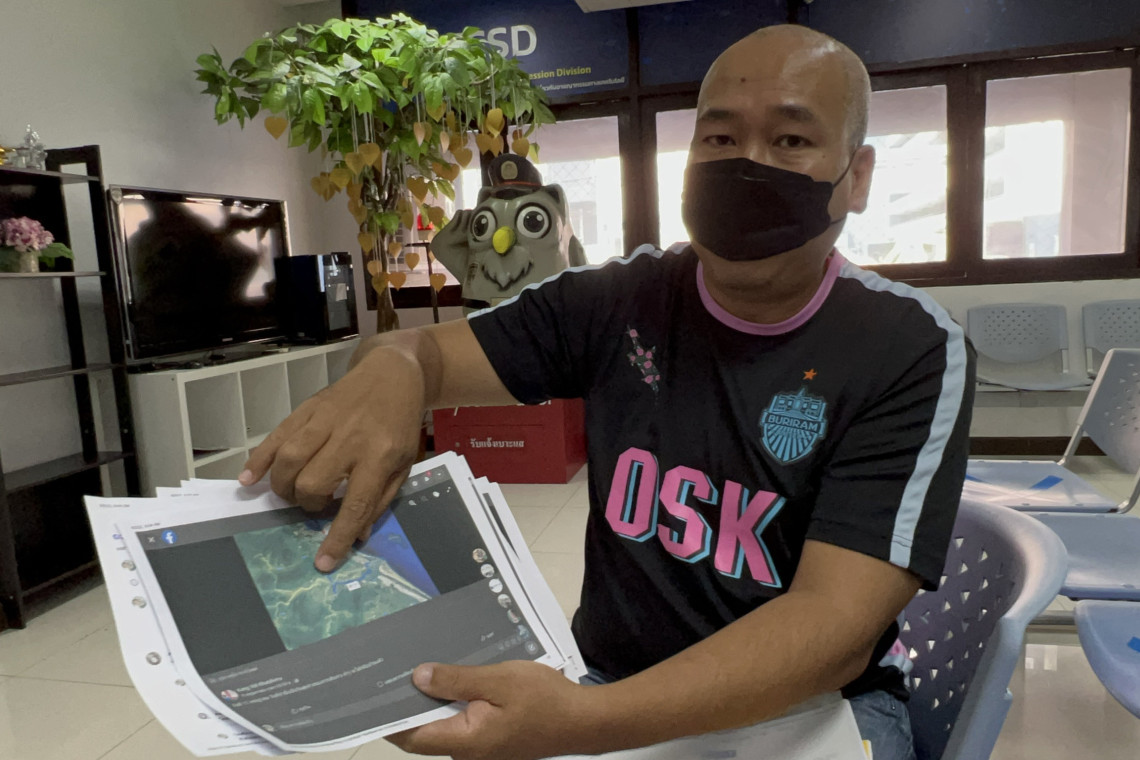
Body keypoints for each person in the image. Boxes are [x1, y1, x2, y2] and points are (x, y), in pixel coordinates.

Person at [241, 24, 975, 760]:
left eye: (791, 140)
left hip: (811, 708)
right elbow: (421, 352)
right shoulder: (616, 300)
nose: (747, 165)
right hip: (613, 683)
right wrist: (391, 372)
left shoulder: (906, 347)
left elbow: (833, 627)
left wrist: (584, 723)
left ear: (857, 175)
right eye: (719, 138)